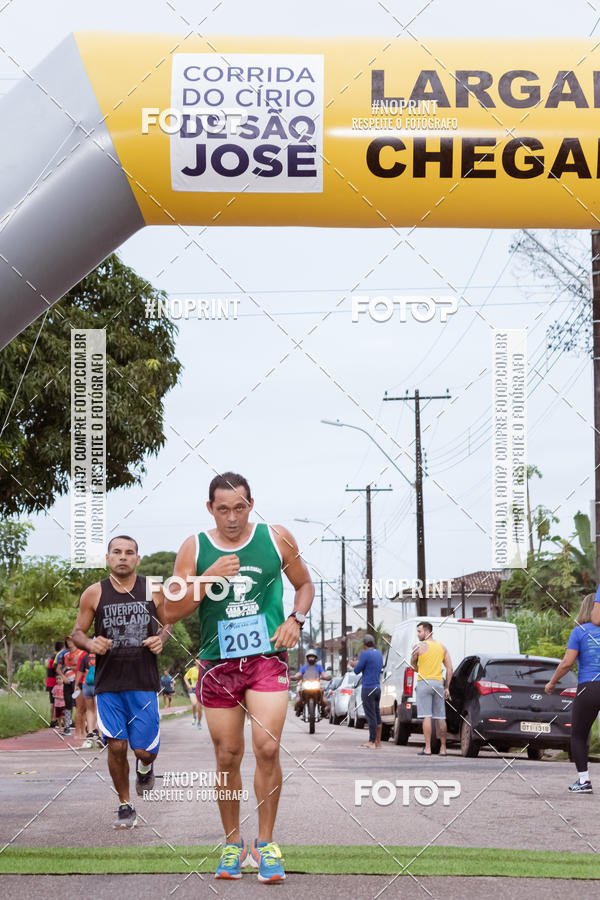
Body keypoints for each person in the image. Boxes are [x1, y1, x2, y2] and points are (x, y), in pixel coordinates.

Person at [166, 471, 314, 882]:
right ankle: (233, 845)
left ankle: (266, 846)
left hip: (266, 656)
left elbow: (304, 585)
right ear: (210, 508)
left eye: (240, 507)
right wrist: (207, 576)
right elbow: (171, 611)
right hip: (218, 664)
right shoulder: (194, 547)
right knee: (227, 756)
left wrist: (295, 620)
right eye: (223, 508)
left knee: (267, 748)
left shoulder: (276, 538)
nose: (232, 517)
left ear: (252, 505)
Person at [71, 535, 171, 829]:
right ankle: (125, 805)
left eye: (129, 552)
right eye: (117, 552)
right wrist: (90, 644)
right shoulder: (93, 593)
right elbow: (77, 632)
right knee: (116, 747)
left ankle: (144, 768)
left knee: (144, 751)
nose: (123, 557)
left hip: (143, 681)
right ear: (108, 558)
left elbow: (168, 623)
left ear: (138, 559)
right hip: (108, 683)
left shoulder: (153, 589)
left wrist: (160, 638)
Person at [547, 593, 600, 793]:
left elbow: (567, 663)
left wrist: (552, 682)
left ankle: (584, 781)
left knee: (578, 734)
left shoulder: (579, 632)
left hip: (588, 688)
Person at [410, 621, 453, 756]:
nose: (418, 634)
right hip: (438, 684)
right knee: (440, 717)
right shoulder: (442, 647)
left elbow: (412, 666)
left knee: (427, 716)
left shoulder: (419, 648)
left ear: (427, 632)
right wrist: (447, 687)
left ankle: (428, 748)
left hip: (424, 683)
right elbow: (450, 669)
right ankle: (443, 748)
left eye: (419, 631)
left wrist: (419, 668)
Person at [351, 634, 384, 749]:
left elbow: (356, 670)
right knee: (377, 714)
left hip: (368, 688)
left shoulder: (365, 654)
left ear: (364, 645)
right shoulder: (379, 654)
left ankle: (371, 741)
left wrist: (353, 664)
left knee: (370, 716)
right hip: (377, 688)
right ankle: (378, 742)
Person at [292, 649, 331, 717]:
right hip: (306, 685)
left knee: (325, 701)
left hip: (316, 685)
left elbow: (324, 674)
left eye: (313, 657)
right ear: (307, 658)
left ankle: (323, 710)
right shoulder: (304, 668)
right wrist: (294, 677)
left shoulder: (319, 667)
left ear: (315, 658)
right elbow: (298, 674)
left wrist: (327, 677)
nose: (311, 658)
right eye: (310, 657)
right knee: (298, 700)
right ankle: (299, 709)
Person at [46, 640, 63, 727]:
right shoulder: (57, 656)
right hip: (54, 682)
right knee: (55, 702)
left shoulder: (52, 656)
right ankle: (54, 720)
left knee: (53, 702)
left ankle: (53, 720)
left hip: (49, 682)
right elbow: (56, 669)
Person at [183, 659, 202, 728]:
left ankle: (199, 723)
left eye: (200, 660)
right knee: (194, 704)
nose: (199, 661)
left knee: (199, 708)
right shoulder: (192, 669)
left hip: (200, 690)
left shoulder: (204, 669)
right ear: (195, 662)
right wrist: (188, 685)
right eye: (197, 660)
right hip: (193, 689)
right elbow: (185, 677)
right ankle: (194, 716)